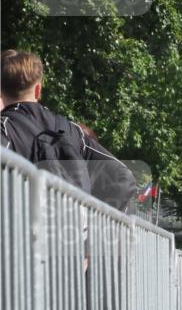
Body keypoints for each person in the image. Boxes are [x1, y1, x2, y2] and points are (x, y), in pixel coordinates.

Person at [1, 49, 136, 211]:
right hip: (69, 232)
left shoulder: (5, 127)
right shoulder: (72, 130)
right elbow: (123, 177)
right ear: (38, 89)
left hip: (18, 233)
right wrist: (94, 223)